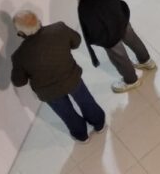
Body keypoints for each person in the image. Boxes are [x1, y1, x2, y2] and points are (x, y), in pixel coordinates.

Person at [10, 10, 105, 143]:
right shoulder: (59, 29)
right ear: (38, 20)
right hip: (71, 77)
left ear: (21, 32)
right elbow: (76, 41)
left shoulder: (19, 56)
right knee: (85, 100)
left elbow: (19, 82)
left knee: (67, 113)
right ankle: (99, 123)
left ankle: (82, 135)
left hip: (49, 92)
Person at [71, 0, 157, 92]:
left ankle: (131, 80)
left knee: (119, 57)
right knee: (132, 39)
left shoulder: (86, 5)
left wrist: (101, 41)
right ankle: (146, 61)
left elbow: (94, 27)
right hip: (120, 17)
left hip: (109, 33)